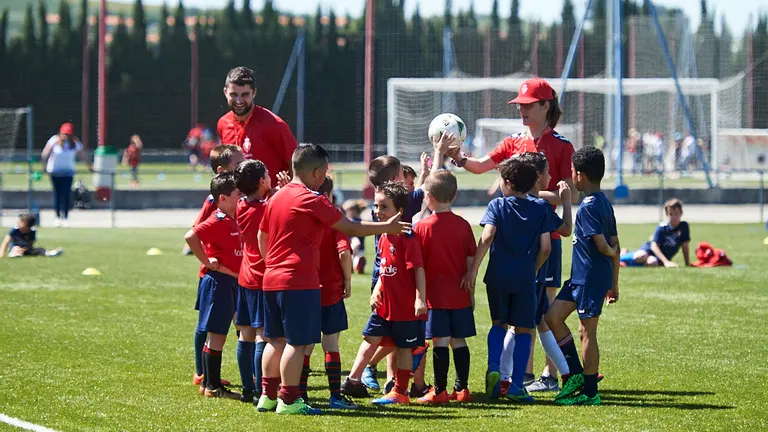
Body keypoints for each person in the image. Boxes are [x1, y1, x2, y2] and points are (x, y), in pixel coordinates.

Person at [438, 77, 577, 387]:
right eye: (520, 106)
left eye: (528, 106)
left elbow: (570, 194)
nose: (522, 111)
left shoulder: (562, 145)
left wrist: (524, 194)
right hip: (514, 242)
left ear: (545, 106)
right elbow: (480, 165)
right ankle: (522, 375)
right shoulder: (513, 140)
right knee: (522, 314)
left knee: (546, 309)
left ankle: (550, 374)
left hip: (546, 237)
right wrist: (456, 156)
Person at [255, 144, 408, 415]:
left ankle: (267, 396)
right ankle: (289, 400)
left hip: (271, 279)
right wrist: (387, 227)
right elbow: (349, 226)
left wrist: (272, 263)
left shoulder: (275, 197)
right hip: (298, 281)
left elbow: (261, 236)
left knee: (275, 340)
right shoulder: (311, 199)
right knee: (297, 343)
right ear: (316, 173)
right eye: (325, 170)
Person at [462, 158, 556, 402]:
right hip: (525, 278)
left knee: (498, 324)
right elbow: (546, 248)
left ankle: (494, 368)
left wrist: (473, 270)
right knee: (524, 329)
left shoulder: (497, 206)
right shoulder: (540, 208)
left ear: (507, 183)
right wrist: (533, 269)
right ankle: (516, 386)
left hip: (497, 277)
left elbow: (487, 236)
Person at [545, 146, 620, 406]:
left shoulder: (589, 206)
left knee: (588, 333)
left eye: (573, 172)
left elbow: (605, 245)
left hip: (589, 278)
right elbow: (615, 244)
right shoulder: (604, 202)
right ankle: (576, 374)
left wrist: (608, 256)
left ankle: (590, 393)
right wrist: (614, 283)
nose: (571, 176)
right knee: (553, 317)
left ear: (581, 175)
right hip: (580, 278)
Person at [343, 181, 427, 406]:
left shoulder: (407, 238)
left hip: (404, 306)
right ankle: (352, 379)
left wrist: (420, 298)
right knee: (369, 337)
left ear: (399, 211)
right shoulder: (382, 236)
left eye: (383, 207)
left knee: (404, 348)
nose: (377, 211)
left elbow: (418, 269)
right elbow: (383, 270)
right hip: (384, 303)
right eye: (376, 206)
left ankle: (400, 392)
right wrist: (378, 289)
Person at [412, 170, 476, 404]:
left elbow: (418, 265)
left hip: (435, 296)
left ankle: (439, 391)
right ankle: (462, 389)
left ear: (427, 196)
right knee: (459, 340)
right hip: (459, 293)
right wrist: (471, 293)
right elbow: (470, 264)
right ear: (455, 195)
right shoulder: (464, 225)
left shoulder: (422, 227)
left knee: (440, 340)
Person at [513, 152, 573, 394]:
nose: (550, 175)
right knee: (536, 322)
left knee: (524, 323)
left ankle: (511, 378)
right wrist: (566, 201)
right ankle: (567, 373)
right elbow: (565, 230)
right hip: (533, 274)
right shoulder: (540, 207)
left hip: (516, 272)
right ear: (538, 176)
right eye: (547, 171)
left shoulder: (510, 202)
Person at [184, 173, 244, 399]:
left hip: (232, 282)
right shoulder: (218, 220)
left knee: (224, 333)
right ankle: (212, 386)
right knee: (216, 335)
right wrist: (207, 261)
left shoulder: (233, 218)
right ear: (223, 198)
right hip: (219, 283)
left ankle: (211, 383)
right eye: (238, 194)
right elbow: (191, 236)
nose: (241, 197)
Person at [315, 176, 359, 410]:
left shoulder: (304, 212)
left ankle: (300, 394)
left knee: (304, 346)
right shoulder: (334, 216)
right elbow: (344, 253)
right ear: (330, 195)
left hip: (306, 289)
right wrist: (348, 280)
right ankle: (335, 396)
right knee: (331, 344)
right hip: (331, 290)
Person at [232, 159, 271, 405]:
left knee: (244, 335)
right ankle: (260, 389)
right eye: (267, 174)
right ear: (261, 181)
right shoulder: (266, 208)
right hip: (261, 277)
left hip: (245, 275)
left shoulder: (240, 204)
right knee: (261, 337)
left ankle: (248, 388)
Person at [217, 66, 297, 186]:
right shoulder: (222, 124)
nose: (239, 101)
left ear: (254, 93)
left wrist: (285, 190)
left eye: (245, 95)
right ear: (225, 92)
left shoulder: (274, 124)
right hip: (240, 203)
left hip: (271, 202)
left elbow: (297, 163)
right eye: (234, 94)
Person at [41, 122, 92, 227]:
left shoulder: (75, 143)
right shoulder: (54, 140)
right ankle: (57, 217)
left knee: (66, 194)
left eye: (68, 134)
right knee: (57, 194)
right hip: (55, 172)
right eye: (64, 133)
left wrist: (90, 167)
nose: (65, 136)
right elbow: (45, 153)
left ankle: (65, 217)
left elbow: (82, 155)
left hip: (68, 173)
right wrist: (44, 166)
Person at [621, 198, 690, 267]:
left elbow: (685, 245)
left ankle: (624, 262)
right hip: (649, 250)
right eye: (671, 214)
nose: (674, 217)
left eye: (676, 213)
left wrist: (687, 263)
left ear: (681, 213)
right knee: (640, 256)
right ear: (667, 214)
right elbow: (654, 246)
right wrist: (666, 262)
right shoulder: (662, 227)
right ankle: (621, 257)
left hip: (660, 257)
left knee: (652, 262)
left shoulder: (683, 226)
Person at [342, 199, 367, 274]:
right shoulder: (361, 221)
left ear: (352, 211)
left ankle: (352, 265)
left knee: (351, 255)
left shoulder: (351, 221)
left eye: (346, 211)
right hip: (361, 250)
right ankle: (358, 263)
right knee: (357, 257)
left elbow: (355, 240)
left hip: (352, 249)